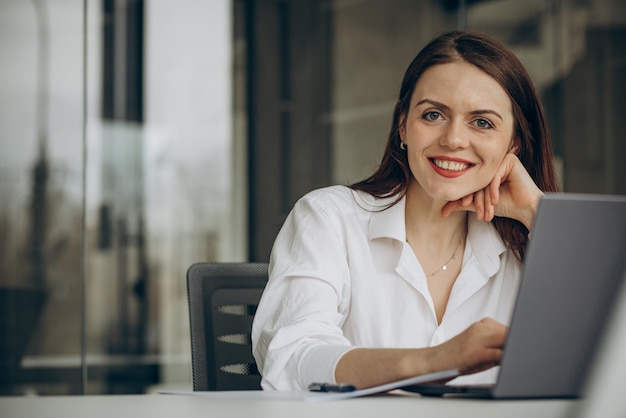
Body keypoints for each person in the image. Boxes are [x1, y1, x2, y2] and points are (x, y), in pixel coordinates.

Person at [251, 30, 559, 391]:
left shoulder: (530, 246)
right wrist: (431, 362)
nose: (454, 139)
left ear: (514, 143)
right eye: (433, 115)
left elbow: (604, 348)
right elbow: (291, 356)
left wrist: (537, 213)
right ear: (403, 125)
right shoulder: (329, 218)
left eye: (482, 122)